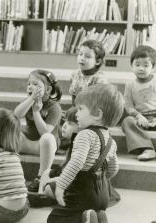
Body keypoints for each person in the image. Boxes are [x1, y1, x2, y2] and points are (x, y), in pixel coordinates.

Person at [47, 84, 124, 223]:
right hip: (103, 193)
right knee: (88, 209)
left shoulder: (85, 135)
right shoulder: (111, 140)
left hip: (83, 191)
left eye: (81, 109)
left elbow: (77, 162)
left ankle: (87, 217)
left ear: (97, 114)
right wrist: (100, 181)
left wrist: (61, 185)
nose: (76, 114)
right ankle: (98, 216)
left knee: (55, 218)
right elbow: (113, 169)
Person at [14, 69, 62, 193]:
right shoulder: (28, 101)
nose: (30, 87)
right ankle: (11, 174)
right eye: (29, 84)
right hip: (28, 141)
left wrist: (36, 112)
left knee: (48, 138)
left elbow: (45, 133)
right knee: (11, 132)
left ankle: (42, 177)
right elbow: (16, 115)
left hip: (44, 146)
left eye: (35, 84)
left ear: (48, 90)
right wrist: (31, 100)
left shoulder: (54, 107)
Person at [121, 45, 156, 161]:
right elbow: (128, 105)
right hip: (141, 118)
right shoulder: (130, 84)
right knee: (127, 121)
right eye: (137, 65)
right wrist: (139, 116)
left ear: (153, 67)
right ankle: (147, 149)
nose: (141, 68)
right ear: (131, 66)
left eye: (146, 65)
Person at [69, 39, 107, 104]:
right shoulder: (74, 74)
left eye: (87, 56)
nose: (82, 58)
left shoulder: (100, 80)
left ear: (98, 61)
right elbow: (73, 98)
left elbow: (99, 103)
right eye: (80, 54)